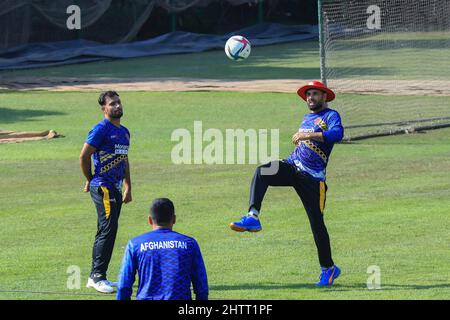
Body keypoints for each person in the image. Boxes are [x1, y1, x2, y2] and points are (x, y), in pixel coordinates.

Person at [229, 81, 344, 286]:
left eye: (315, 94)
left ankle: (329, 268)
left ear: (324, 97)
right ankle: (252, 216)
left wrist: (307, 135)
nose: (310, 97)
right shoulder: (307, 117)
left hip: (313, 179)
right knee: (263, 170)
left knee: (317, 225)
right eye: (308, 94)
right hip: (293, 166)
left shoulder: (330, 115)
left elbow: (337, 134)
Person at [80, 91, 132, 293]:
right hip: (103, 187)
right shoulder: (100, 129)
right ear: (104, 109)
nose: (117, 106)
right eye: (112, 104)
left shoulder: (125, 132)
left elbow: (124, 159)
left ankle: (99, 275)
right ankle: (96, 277)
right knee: (107, 230)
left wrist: (128, 186)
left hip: (116, 187)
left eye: (118, 102)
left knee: (108, 230)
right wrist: (89, 179)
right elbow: (84, 156)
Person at [117, 198, 208, 300]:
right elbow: (201, 286)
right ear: (174, 219)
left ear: (150, 220)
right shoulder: (189, 244)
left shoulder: (135, 244)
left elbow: (123, 286)